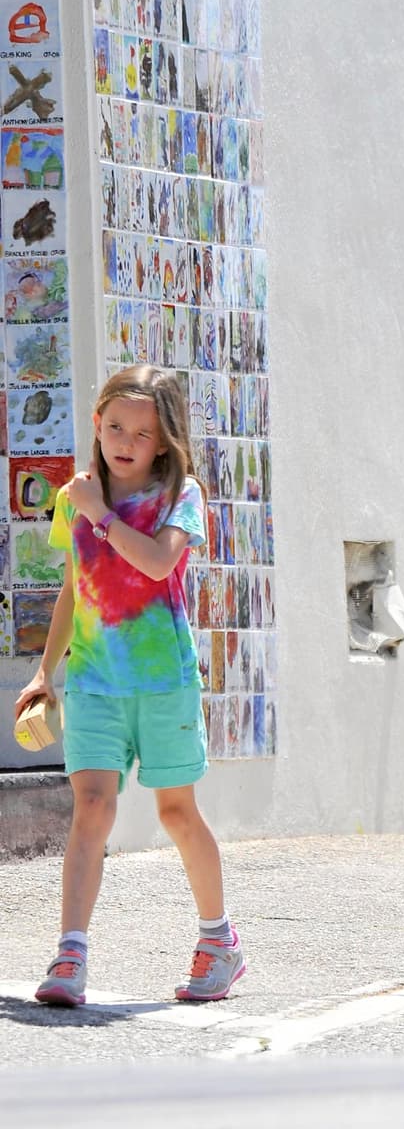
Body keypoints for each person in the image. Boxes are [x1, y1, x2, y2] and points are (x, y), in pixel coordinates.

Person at [13, 365, 245, 1008]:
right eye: (115, 426)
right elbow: (73, 587)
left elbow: (159, 562)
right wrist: (44, 671)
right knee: (92, 807)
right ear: (97, 423)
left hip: (164, 682)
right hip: (94, 682)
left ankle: (219, 942)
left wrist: (100, 516)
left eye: (142, 434)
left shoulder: (180, 496)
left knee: (176, 812)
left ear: (163, 442)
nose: (125, 441)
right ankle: (70, 953)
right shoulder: (76, 496)